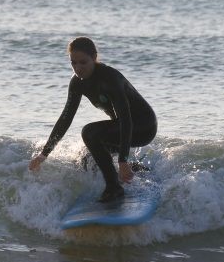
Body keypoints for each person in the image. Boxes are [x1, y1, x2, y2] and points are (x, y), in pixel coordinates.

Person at [29, 37, 157, 202]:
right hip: (121, 129)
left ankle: (114, 188)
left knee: (89, 132)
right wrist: (44, 154)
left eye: (83, 62)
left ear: (94, 58)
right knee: (87, 161)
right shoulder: (77, 83)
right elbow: (65, 118)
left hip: (143, 127)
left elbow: (126, 119)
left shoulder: (110, 78)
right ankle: (138, 171)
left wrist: (122, 160)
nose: (78, 68)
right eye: (73, 63)